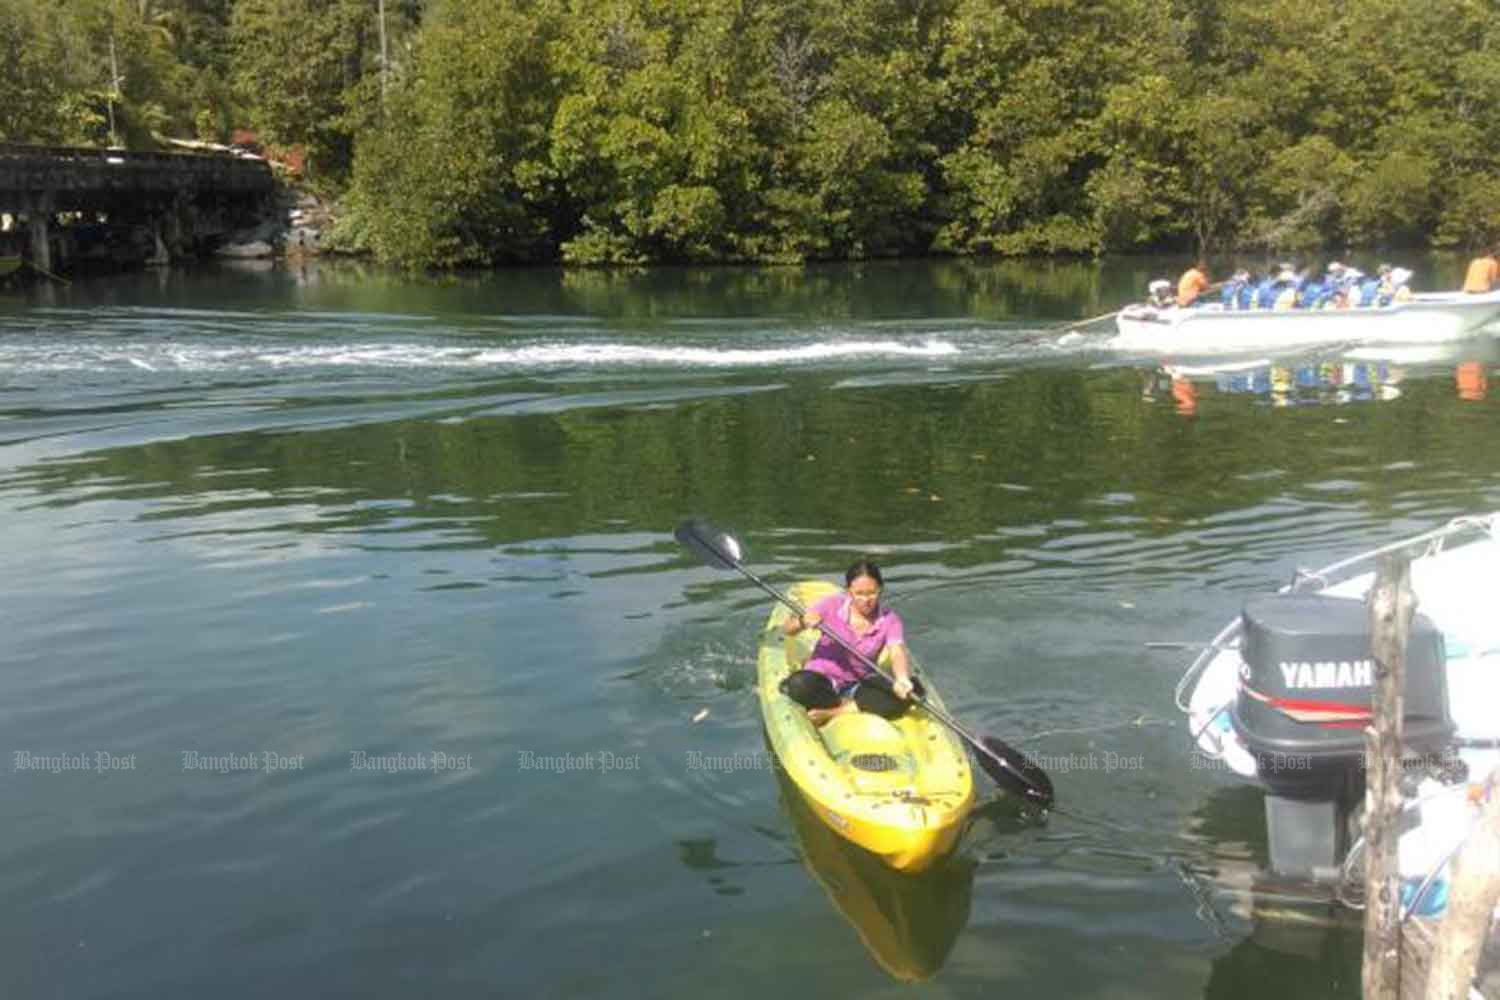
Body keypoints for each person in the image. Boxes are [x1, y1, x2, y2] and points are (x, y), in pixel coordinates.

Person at [781, 560, 914, 726]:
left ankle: (834, 712)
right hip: (821, 681)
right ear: (849, 591)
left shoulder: (890, 620)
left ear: (880, 589)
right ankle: (855, 706)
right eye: (859, 593)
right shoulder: (831, 604)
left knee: (914, 689)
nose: (866, 600)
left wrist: (902, 679)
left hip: (857, 685)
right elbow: (787, 630)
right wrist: (802, 621)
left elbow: (897, 651)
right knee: (799, 684)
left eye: (872, 593)